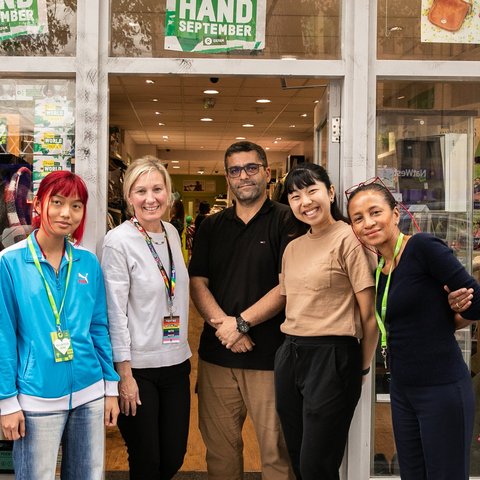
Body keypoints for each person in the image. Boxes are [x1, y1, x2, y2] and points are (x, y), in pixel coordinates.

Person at [346, 179, 480, 480]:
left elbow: (476, 301)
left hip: (441, 387)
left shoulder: (421, 247)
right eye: (358, 218)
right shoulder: (381, 268)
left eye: (375, 212)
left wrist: (456, 312)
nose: (368, 223)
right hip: (403, 389)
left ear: (395, 214)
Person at [189, 141, 299, 480]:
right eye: (235, 170)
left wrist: (241, 324)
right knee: (220, 454)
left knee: (276, 454)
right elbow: (198, 283)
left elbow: (289, 285)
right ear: (227, 178)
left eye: (251, 168)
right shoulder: (211, 226)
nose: (244, 176)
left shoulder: (288, 220)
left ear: (266, 172)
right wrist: (226, 329)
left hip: (270, 358)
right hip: (217, 357)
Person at [0, 170, 119, 480]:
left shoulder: (87, 262)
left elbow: (98, 328)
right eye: (58, 202)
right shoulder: (9, 263)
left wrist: (110, 388)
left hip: (90, 392)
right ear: (39, 205)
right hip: (36, 398)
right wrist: (6, 401)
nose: (67, 213)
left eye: (76, 205)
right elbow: (3, 337)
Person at [274, 164, 378, 480]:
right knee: (297, 455)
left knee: (317, 464)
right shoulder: (292, 247)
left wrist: (361, 367)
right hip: (290, 353)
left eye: (312, 190)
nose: (305, 201)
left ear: (330, 193)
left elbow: (370, 316)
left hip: (332, 356)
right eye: (295, 195)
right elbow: (289, 300)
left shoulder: (349, 238)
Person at [101, 156, 191, 480]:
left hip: (177, 363)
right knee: (146, 459)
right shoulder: (118, 241)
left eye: (157, 188)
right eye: (141, 191)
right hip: (138, 369)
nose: (150, 198)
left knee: (174, 457)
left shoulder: (170, 232)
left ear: (168, 193)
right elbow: (114, 312)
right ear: (128, 197)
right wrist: (123, 375)